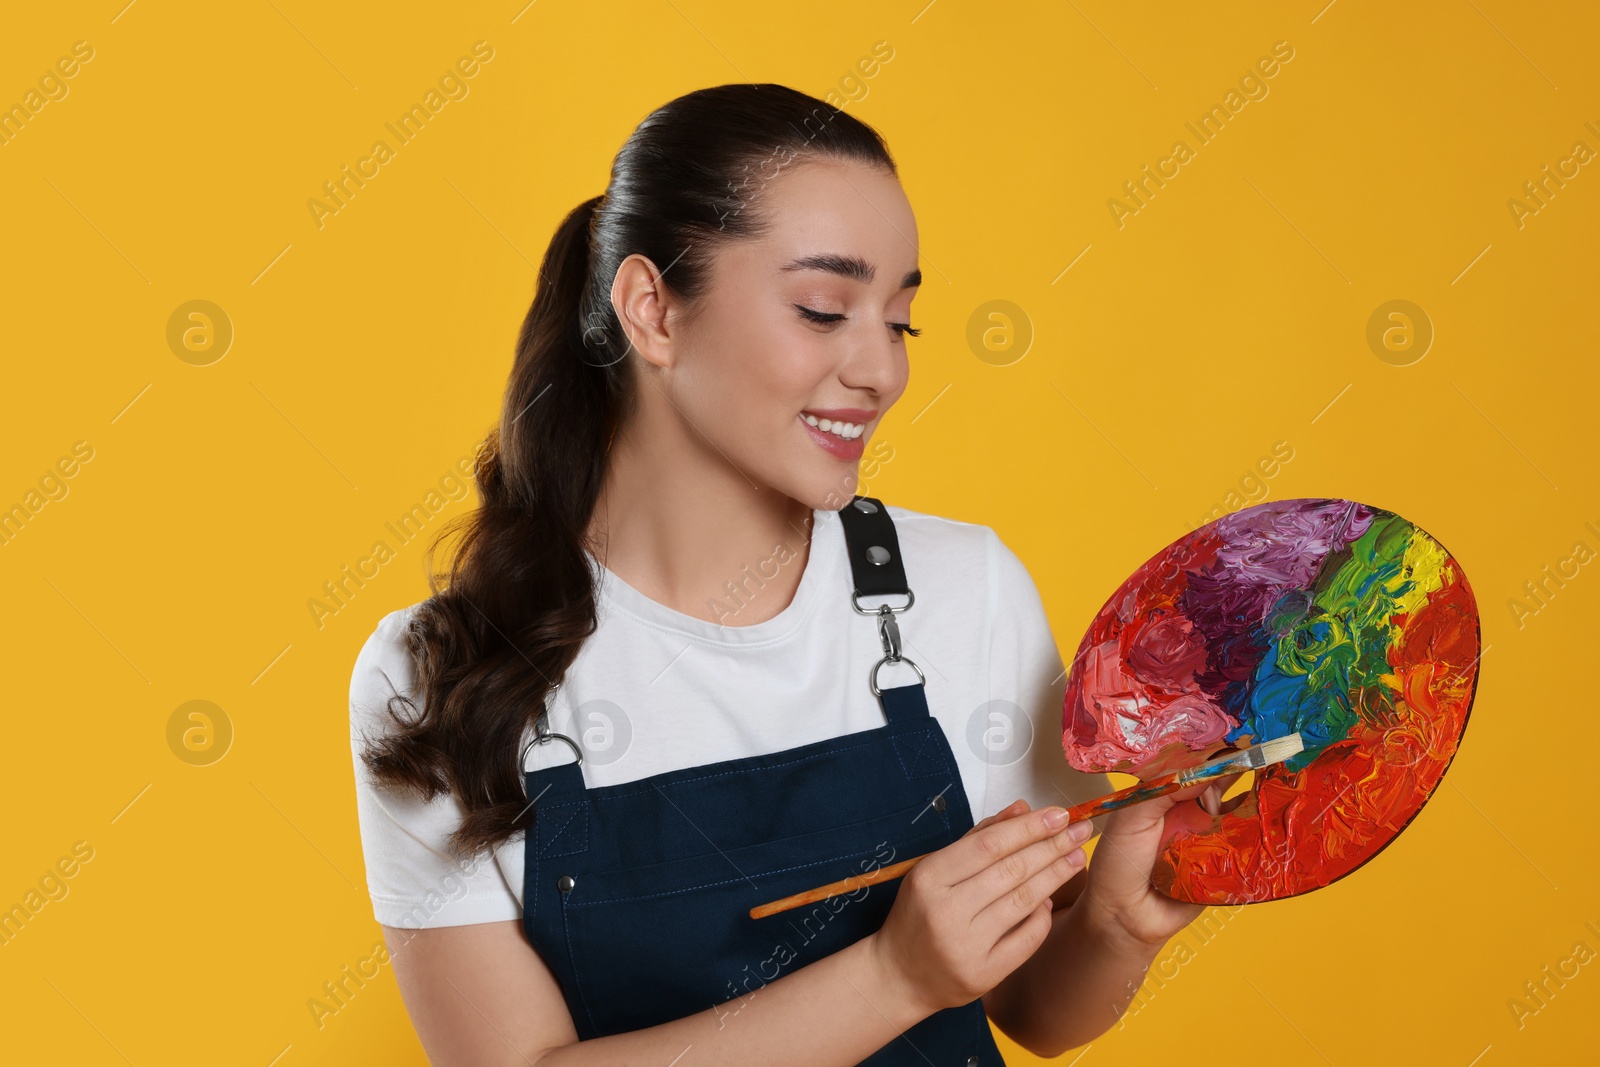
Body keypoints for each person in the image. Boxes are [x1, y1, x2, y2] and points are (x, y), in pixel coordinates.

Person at [349, 83, 1234, 1066]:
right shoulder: (446, 674)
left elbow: (1032, 1008)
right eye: (823, 309)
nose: (883, 372)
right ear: (652, 310)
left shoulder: (964, 589)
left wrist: (1116, 920)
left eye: (900, 321)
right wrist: (892, 976)